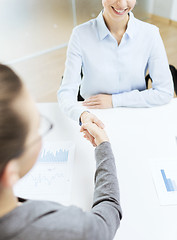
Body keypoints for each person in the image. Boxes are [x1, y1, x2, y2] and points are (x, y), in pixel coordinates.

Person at [0, 64, 122, 240]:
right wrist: (103, 147)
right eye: (37, 130)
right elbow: (105, 221)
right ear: (9, 173)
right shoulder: (64, 228)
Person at [57, 0, 174, 125]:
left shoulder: (150, 34)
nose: (122, 5)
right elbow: (66, 91)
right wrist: (81, 115)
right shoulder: (80, 34)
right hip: (93, 114)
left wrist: (114, 101)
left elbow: (165, 92)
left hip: (136, 113)